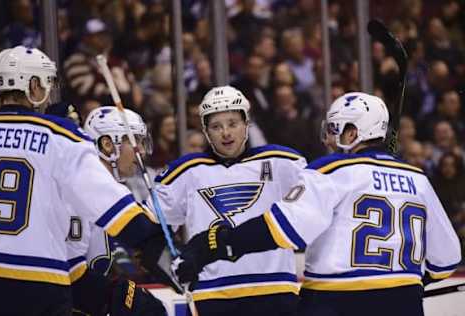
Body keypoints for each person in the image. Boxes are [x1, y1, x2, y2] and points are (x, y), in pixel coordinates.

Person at [172, 92, 462, 316]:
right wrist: (406, 284)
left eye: (335, 129)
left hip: (334, 303)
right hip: (405, 303)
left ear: (353, 133)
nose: (329, 138)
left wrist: (216, 243)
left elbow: (282, 229)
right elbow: (446, 259)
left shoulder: (330, 171)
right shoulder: (418, 178)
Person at [0, 45, 165, 315]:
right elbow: (113, 207)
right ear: (33, 86)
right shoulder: (61, 138)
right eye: (46, 84)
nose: (48, 97)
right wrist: (153, 239)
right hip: (38, 284)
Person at [149, 85, 307, 316]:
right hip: (213, 294)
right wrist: (172, 263)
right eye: (216, 126)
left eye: (233, 123)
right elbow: (153, 226)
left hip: (275, 290)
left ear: (246, 124)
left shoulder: (281, 162)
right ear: (205, 131)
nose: (226, 133)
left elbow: (317, 206)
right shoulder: (186, 172)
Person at [68, 106, 170, 316]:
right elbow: (67, 272)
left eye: (142, 142)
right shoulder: (79, 192)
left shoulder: (112, 191)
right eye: (134, 142)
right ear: (107, 145)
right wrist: (114, 295)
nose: (141, 150)